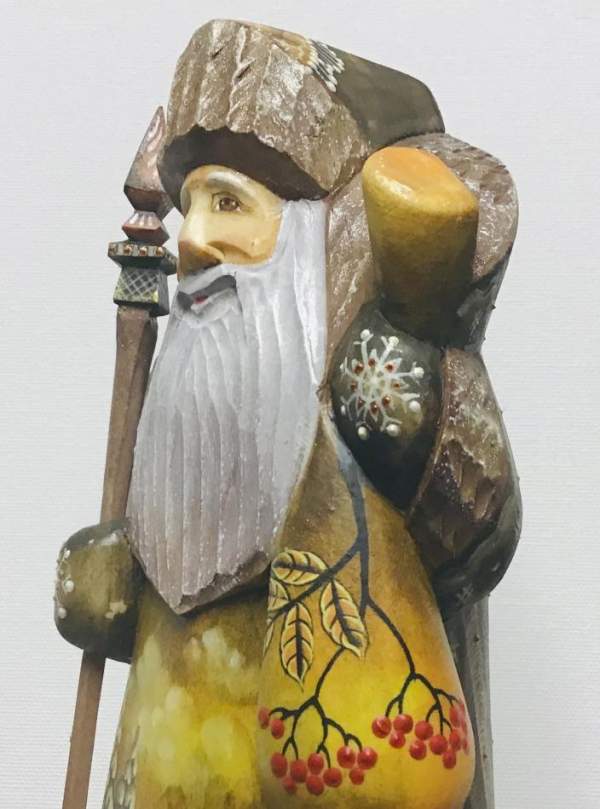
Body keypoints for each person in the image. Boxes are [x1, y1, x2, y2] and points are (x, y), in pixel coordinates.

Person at [54, 20, 520, 809]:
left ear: (319, 234)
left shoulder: (384, 392)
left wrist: (405, 384)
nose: (195, 242)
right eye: (190, 207)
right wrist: (116, 575)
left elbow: (475, 526)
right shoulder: (190, 440)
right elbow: (176, 558)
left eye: (229, 203)